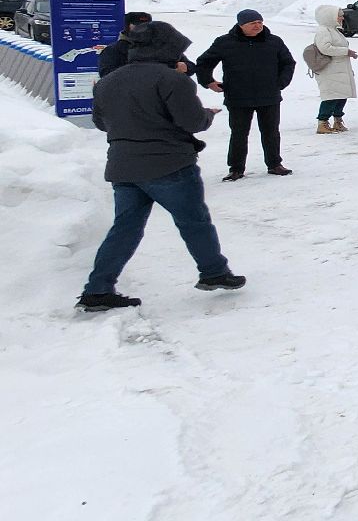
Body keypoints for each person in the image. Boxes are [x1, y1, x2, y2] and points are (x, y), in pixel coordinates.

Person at [76, 20, 244, 311]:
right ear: (167, 49)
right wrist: (207, 114)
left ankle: (98, 289)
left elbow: (101, 123)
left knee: (125, 228)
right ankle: (214, 272)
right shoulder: (171, 80)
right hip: (170, 166)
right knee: (193, 221)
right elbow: (192, 122)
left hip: (124, 168)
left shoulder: (108, 81)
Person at [194, 7, 296, 181]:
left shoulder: (274, 42)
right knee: (239, 133)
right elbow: (204, 63)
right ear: (241, 25)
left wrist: (280, 82)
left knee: (271, 132)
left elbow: (288, 63)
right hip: (238, 96)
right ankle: (236, 168)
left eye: (260, 22)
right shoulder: (224, 42)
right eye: (252, 23)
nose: (257, 26)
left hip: (268, 96)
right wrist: (208, 81)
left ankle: (274, 164)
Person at [310, 4, 358, 132]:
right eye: (340, 16)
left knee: (342, 95)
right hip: (330, 71)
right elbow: (324, 48)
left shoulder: (334, 30)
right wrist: (346, 51)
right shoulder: (323, 31)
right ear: (330, 17)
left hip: (340, 70)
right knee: (331, 96)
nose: (342, 18)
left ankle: (338, 120)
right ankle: (323, 123)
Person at [97, 12, 188, 78]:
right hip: (129, 98)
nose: (142, 28)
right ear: (127, 26)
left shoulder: (161, 46)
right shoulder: (114, 50)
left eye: (146, 25)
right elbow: (106, 75)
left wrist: (184, 67)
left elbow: (189, 66)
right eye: (137, 25)